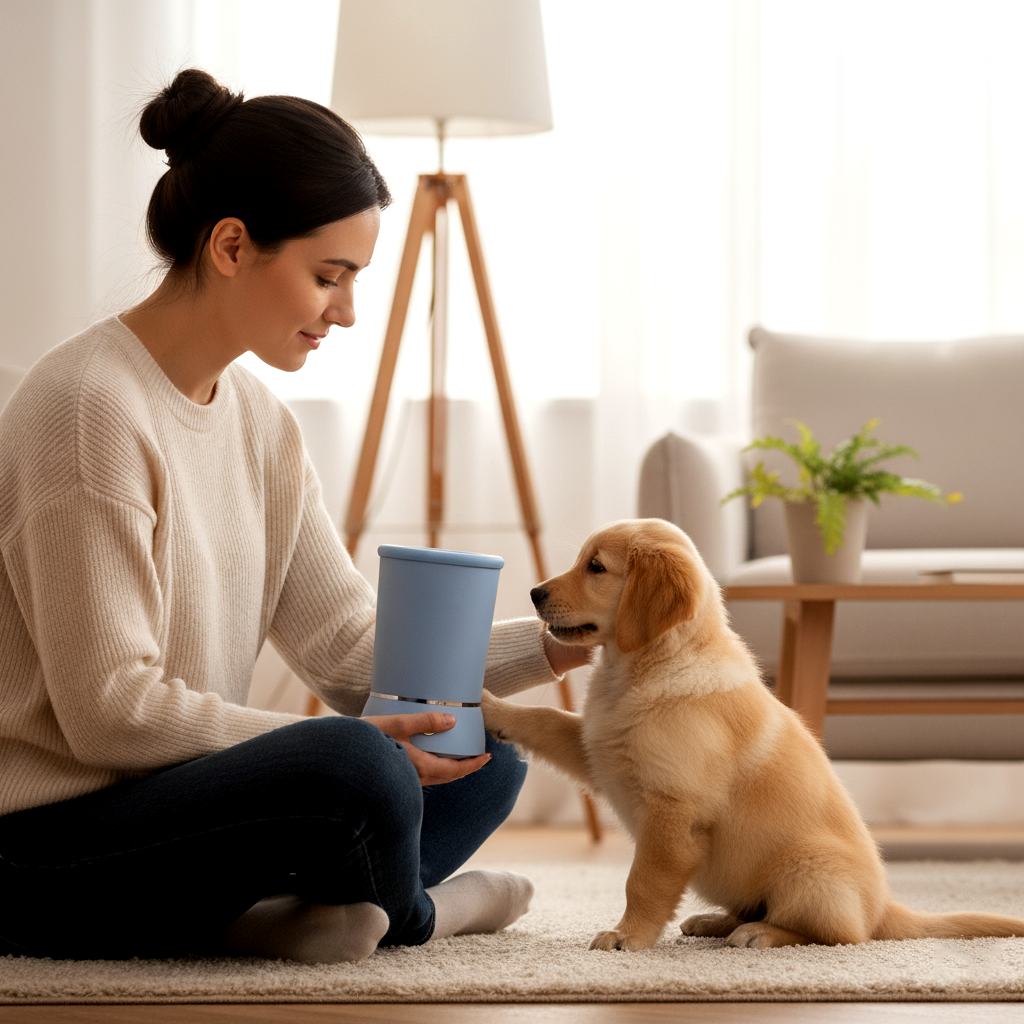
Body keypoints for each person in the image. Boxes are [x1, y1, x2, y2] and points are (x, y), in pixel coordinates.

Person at [0, 69, 588, 963]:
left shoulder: (257, 420)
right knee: (356, 768)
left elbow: (352, 651)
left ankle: (272, 918)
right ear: (232, 246)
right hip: (45, 842)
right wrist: (350, 744)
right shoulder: (88, 409)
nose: (346, 314)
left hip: (176, 806)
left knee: (482, 750)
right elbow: (110, 714)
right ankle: (425, 912)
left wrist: (562, 642)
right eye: (329, 276)